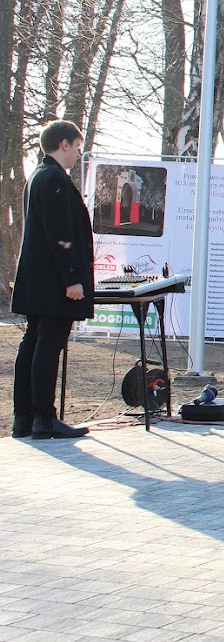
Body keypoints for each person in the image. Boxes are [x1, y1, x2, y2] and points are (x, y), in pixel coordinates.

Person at [11, 120, 94, 440]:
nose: (77, 152)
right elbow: (61, 235)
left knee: (33, 341)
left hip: (37, 279)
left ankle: (25, 417)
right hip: (54, 282)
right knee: (48, 344)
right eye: (76, 146)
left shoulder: (38, 176)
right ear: (63, 144)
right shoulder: (55, 179)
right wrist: (73, 279)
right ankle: (44, 418)